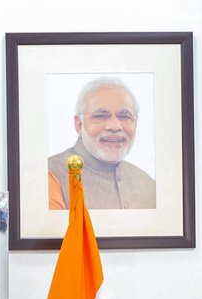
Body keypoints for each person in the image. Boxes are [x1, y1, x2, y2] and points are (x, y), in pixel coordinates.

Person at [48, 76, 155, 210]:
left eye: (124, 116)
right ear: (79, 125)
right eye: (100, 116)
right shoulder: (50, 175)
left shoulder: (148, 185)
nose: (115, 126)